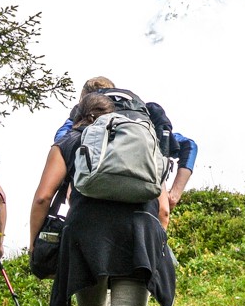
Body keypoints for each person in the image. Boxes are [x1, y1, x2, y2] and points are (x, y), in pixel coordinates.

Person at [30, 92, 176, 306]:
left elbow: (42, 198)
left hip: (88, 234)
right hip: (139, 232)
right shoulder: (141, 138)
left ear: (79, 115)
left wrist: (34, 242)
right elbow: (163, 206)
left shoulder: (69, 141)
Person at [53, 76, 199, 210]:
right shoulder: (144, 120)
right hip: (143, 213)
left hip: (87, 208)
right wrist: (174, 195)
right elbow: (189, 145)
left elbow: (61, 141)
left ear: (84, 101)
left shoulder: (81, 121)